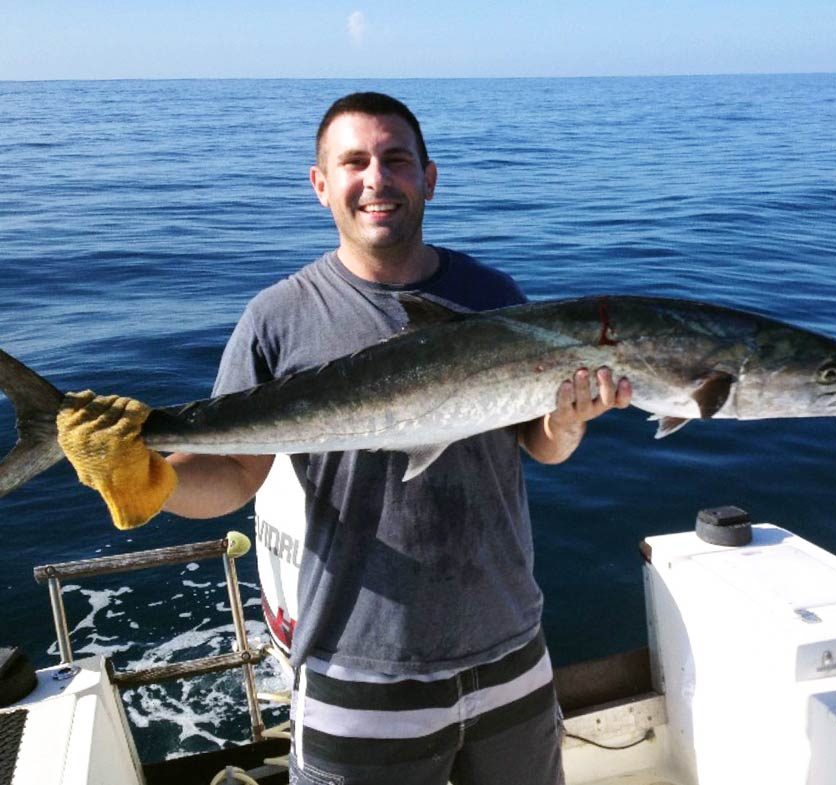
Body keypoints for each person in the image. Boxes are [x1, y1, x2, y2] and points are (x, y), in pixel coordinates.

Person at [57, 92, 631, 785]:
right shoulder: (277, 318)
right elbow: (238, 475)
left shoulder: (492, 294)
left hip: (508, 651)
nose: (376, 178)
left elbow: (537, 444)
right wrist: (151, 478)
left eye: (396, 159)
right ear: (320, 183)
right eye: (354, 161)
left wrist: (565, 422)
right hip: (357, 670)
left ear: (428, 177)